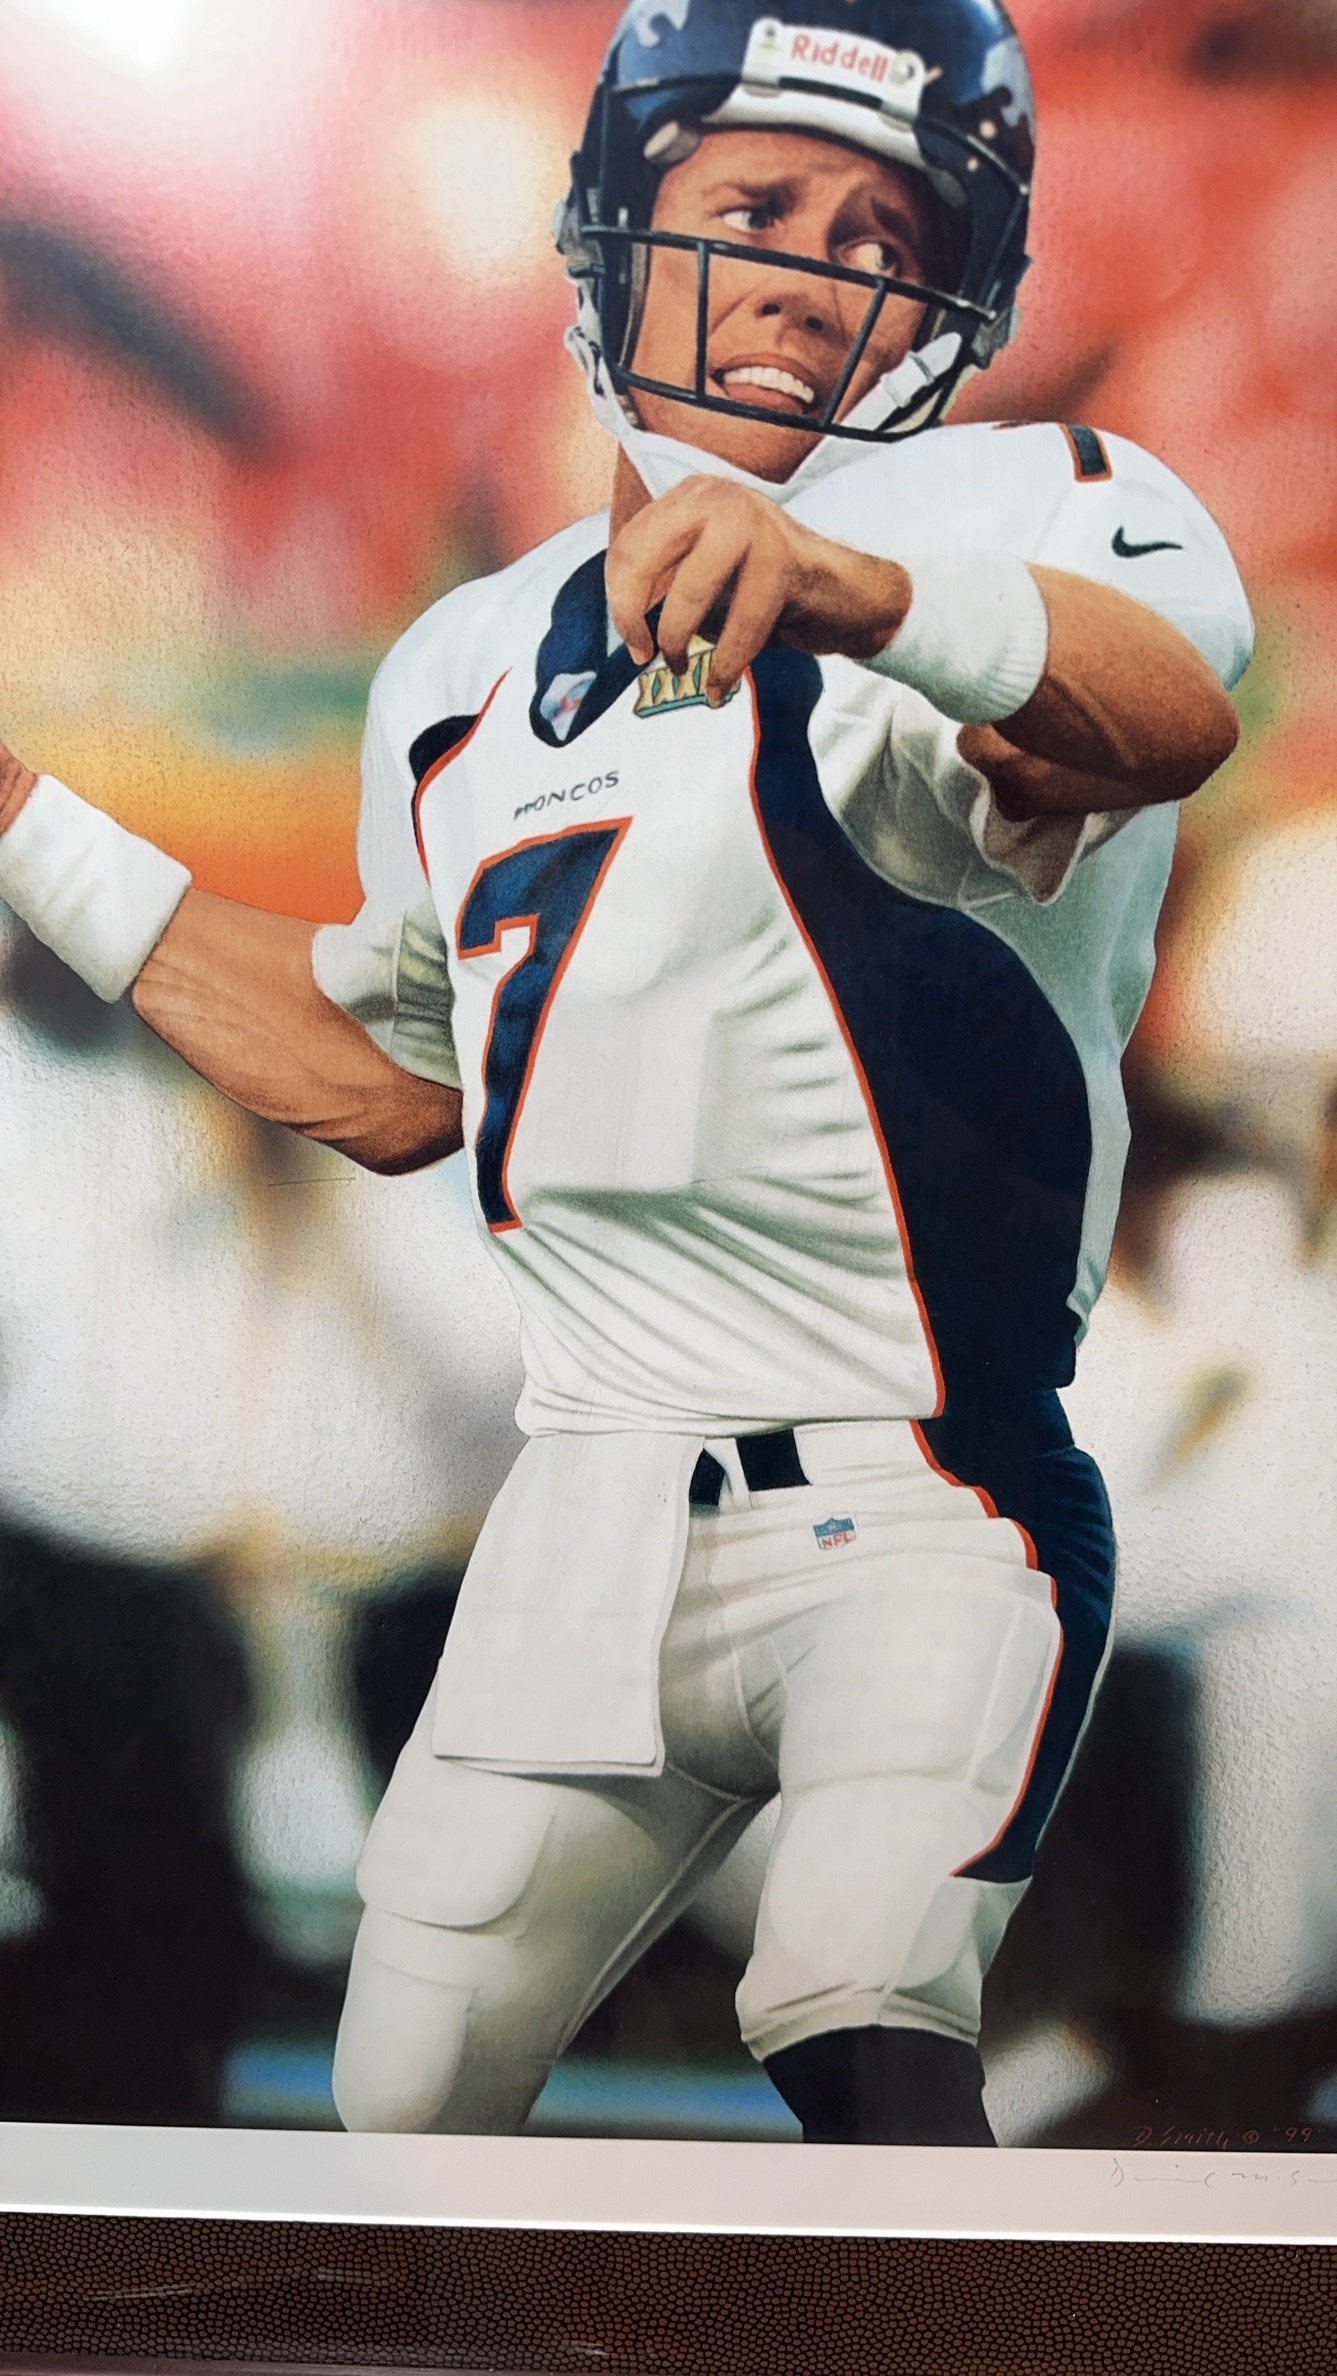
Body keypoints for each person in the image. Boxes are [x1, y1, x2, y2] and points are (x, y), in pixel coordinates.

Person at [0, 0, 1252, 2146]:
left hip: (920, 1486)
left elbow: (1159, 713)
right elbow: (381, 1067)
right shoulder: (466, 659)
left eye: (881, 235)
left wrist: (855, 589)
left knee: (859, 2007)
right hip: (584, 1503)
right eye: (756, 204)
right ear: (616, 226)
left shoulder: (1031, 505)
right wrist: (26, 825)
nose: (813, 274)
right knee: (404, 2109)